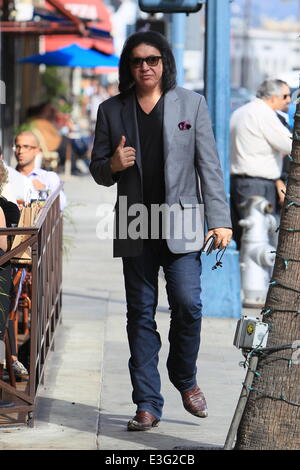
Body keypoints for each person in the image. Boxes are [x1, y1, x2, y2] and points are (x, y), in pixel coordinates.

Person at [90, 31, 232, 431]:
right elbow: (98, 170)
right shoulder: (111, 109)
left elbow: (210, 166)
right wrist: (113, 165)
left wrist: (220, 219)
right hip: (136, 221)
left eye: (152, 60)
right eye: (137, 61)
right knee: (140, 315)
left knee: (188, 304)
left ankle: (184, 377)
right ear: (128, 67)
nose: (145, 67)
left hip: (183, 222)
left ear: (164, 63)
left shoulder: (192, 103)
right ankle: (147, 403)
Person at [230, 79, 293, 249]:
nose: (289, 100)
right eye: (286, 96)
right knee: (261, 242)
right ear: (273, 97)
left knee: (247, 239)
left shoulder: (241, 111)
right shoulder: (263, 113)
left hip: (241, 183)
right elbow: (290, 145)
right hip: (257, 186)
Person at [14, 131, 67, 210]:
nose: (20, 151)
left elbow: (61, 205)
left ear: (37, 150)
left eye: (26, 147)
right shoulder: (8, 176)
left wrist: (44, 190)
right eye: (18, 147)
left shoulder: (48, 177)